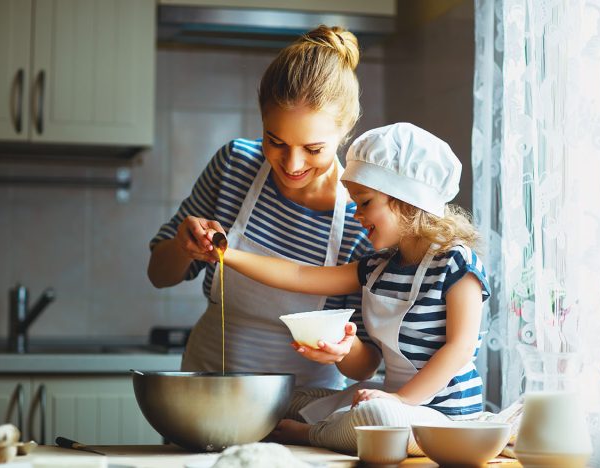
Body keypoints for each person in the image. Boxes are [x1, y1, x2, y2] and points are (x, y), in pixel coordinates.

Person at [219, 122, 491, 454]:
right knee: (290, 398)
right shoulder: (377, 267)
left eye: (364, 202)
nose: (356, 214)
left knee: (377, 415)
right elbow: (300, 275)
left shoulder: (456, 264)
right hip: (392, 401)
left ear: (405, 199)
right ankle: (337, 425)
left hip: (445, 419)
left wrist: (401, 400)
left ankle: (311, 434)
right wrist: (224, 254)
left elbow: (460, 348)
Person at [147, 25, 374, 406]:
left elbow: (366, 364)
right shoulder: (235, 165)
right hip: (206, 394)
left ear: (345, 131)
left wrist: (343, 349)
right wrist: (184, 247)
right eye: (276, 141)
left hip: (304, 411)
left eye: (313, 148)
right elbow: (158, 274)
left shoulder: (362, 214)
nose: (292, 164)